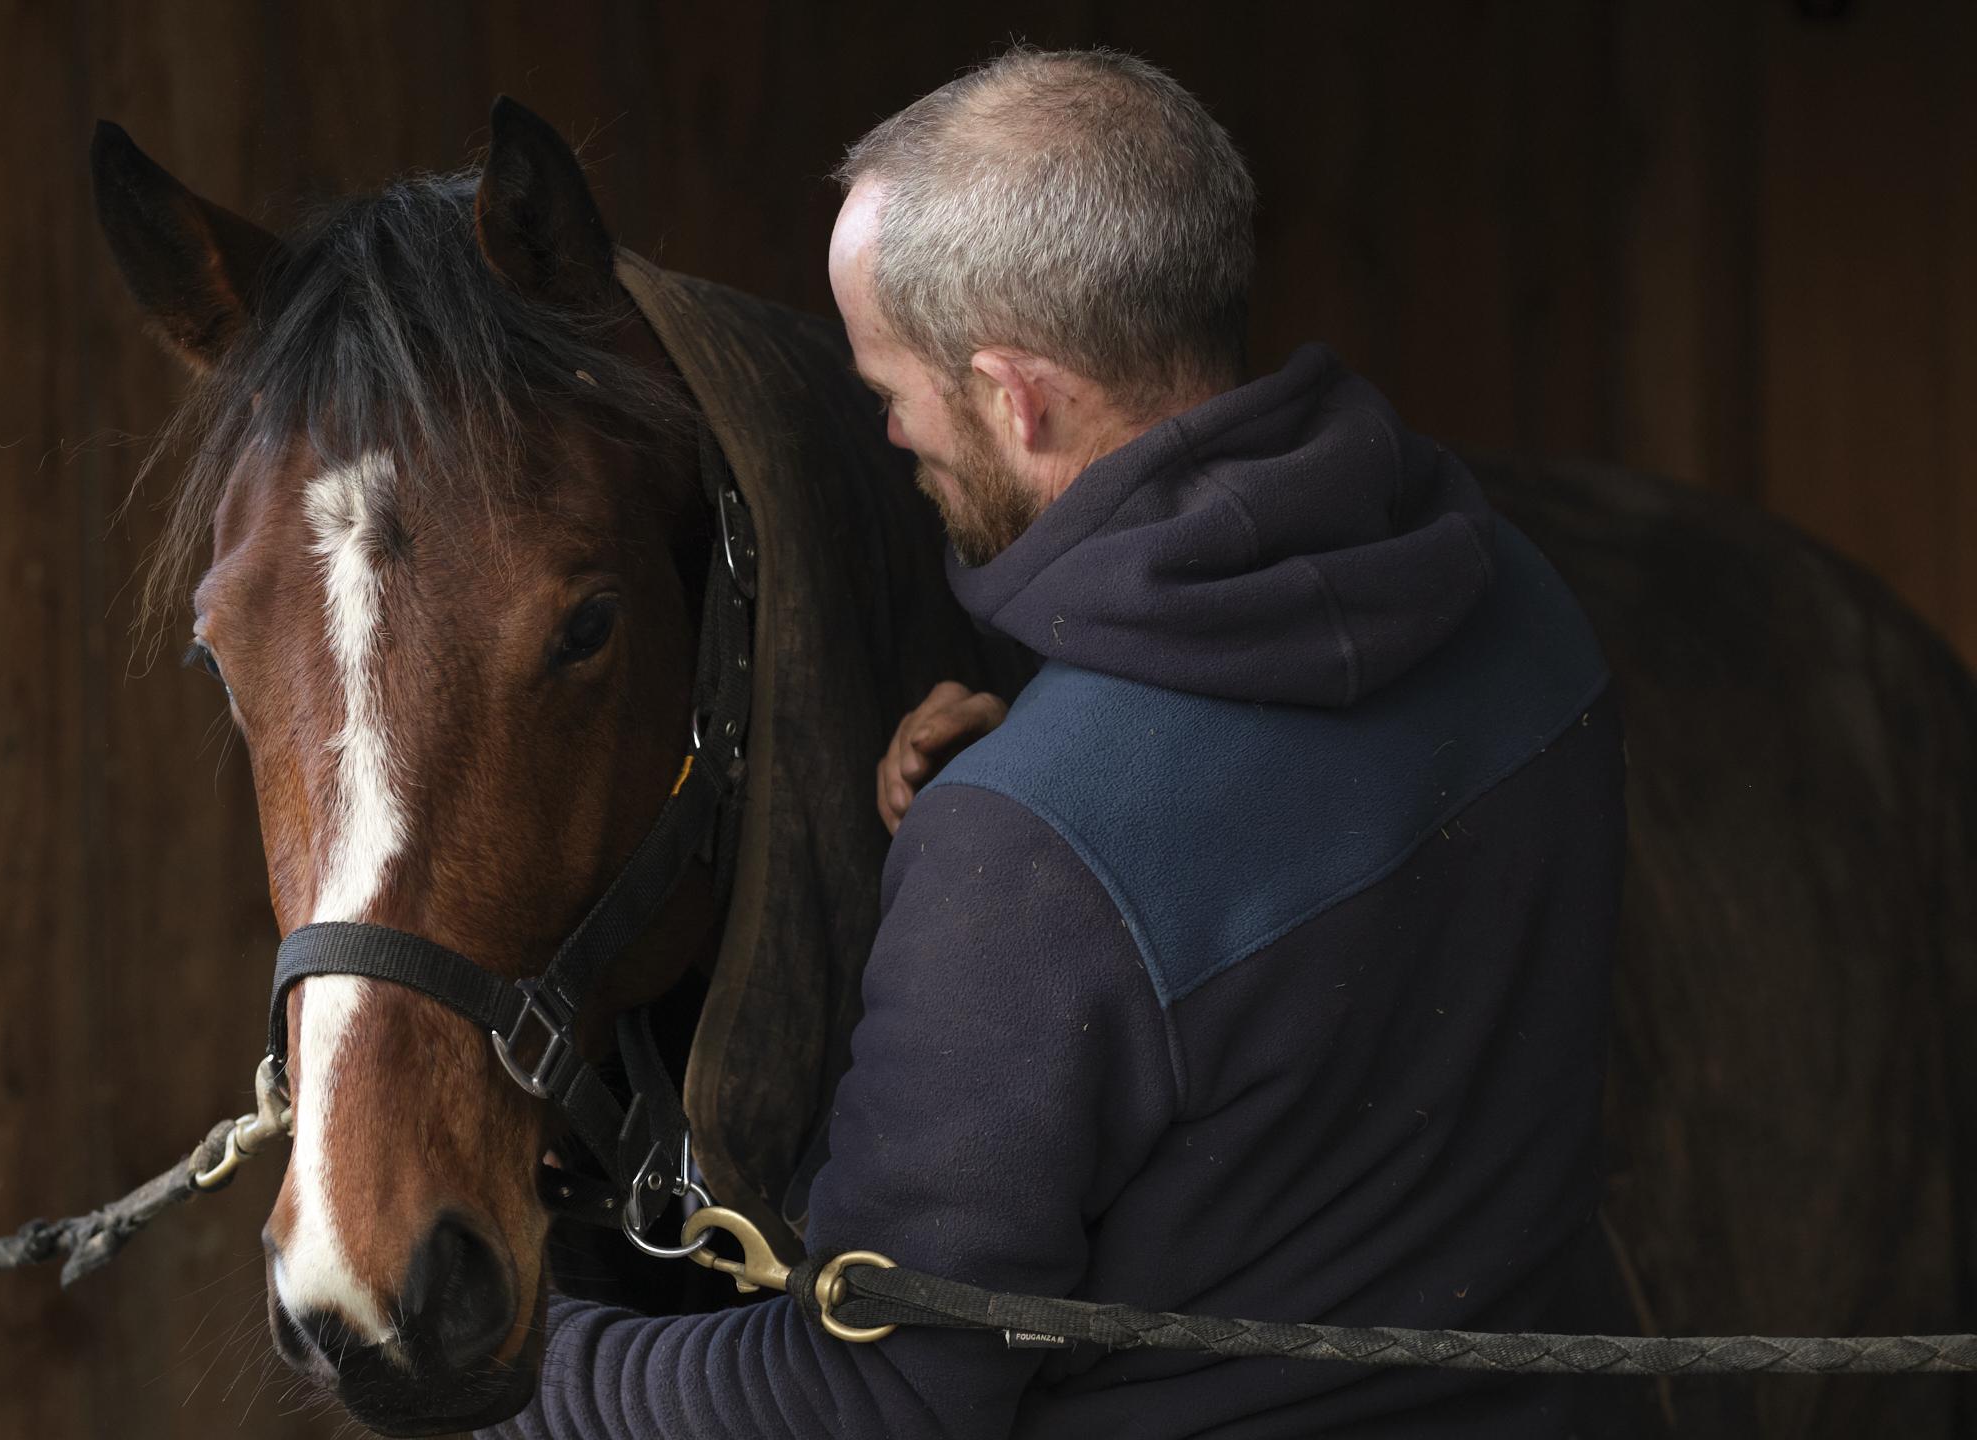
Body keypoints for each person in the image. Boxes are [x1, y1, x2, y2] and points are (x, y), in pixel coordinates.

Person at [486, 44, 1628, 1439]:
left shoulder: (1032, 853)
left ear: (1018, 399)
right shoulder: (1516, 596)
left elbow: (873, 1391)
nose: (890, 429)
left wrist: (518, 1369)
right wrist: (1049, 778)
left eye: (890, 389)